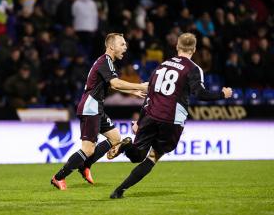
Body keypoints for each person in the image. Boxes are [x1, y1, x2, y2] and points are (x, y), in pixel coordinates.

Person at [107, 33, 233, 199]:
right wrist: (222, 94)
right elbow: (200, 94)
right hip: (171, 119)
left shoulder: (161, 66)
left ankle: (125, 147)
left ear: (177, 47)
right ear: (194, 49)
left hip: (151, 115)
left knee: (136, 155)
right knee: (153, 157)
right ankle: (118, 191)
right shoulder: (193, 69)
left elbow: (150, 94)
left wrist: (140, 120)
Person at [51, 33, 148, 190]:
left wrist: (133, 92)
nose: (126, 47)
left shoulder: (107, 62)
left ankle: (85, 166)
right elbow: (115, 83)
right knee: (88, 149)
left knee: (115, 138)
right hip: (90, 107)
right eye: (122, 44)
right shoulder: (105, 61)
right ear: (111, 46)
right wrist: (140, 86)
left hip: (96, 107)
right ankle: (58, 177)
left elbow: (112, 85)